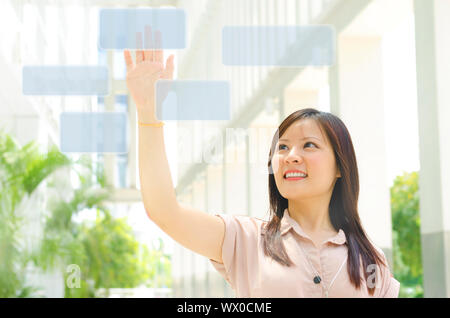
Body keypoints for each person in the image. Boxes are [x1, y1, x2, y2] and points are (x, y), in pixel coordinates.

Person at [123, 44, 400, 298]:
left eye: (309, 145)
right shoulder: (245, 240)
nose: (291, 156)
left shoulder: (370, 262)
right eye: (282, 148)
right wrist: (148, 113)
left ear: (341, 166)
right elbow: (164, 211)